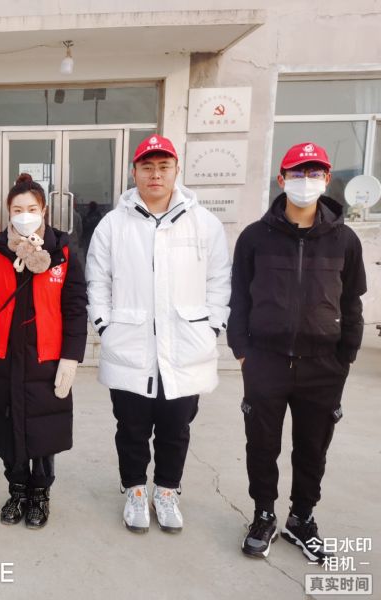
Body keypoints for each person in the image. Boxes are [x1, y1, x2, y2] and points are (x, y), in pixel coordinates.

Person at [85, 135, 231, 534]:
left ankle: (166, 491)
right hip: (129, 345)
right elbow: (98, 280)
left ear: (176, 170)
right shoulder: (114, 225)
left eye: (163, 167)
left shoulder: (204, 223)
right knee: (131, 427)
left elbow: (219, 280)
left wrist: (212, 325)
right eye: (147, 167)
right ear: (134, 172)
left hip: (185, 346)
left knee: (176, 428)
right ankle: (135, 489)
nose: (155, 174)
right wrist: (105, 326)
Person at [229, 142, 366, 562]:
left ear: (326, 180)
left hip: (323, 365)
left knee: (312, 447)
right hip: (266, 361)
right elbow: (240, 298)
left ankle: (302, 518)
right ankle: (263, 514)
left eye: (314, 173)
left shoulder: (345, 240)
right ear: (281, 179)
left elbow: (352, 303)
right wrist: (242, 350)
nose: (305, 181)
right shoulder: (255, 237)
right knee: (262, 444)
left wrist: (345, 357)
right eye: (297, 173)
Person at [0, 173, 88, 529]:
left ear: (44, 211)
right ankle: (17, 489)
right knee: (8, 427)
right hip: (5, 358)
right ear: (8, 213)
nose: (25, 215)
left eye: (32, 209)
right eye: (18, 209)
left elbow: (75, 307)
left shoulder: (62, 254)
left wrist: (71, 356)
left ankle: (40, 492)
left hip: (46, 358)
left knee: (43, 430)